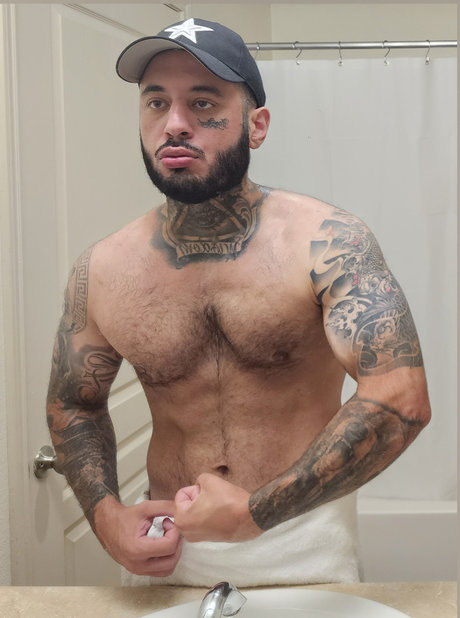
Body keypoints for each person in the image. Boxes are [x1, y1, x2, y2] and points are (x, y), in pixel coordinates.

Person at [46, 17, 431, 586]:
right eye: (156, 103)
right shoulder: (103, 268)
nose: (175, 124)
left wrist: (254, 513)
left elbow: (400, 397)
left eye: (203, 104)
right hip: (167, 546)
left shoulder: (327, 243)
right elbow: (74, 404)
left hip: (300, 539)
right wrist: (106, 519)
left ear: (257, 125)